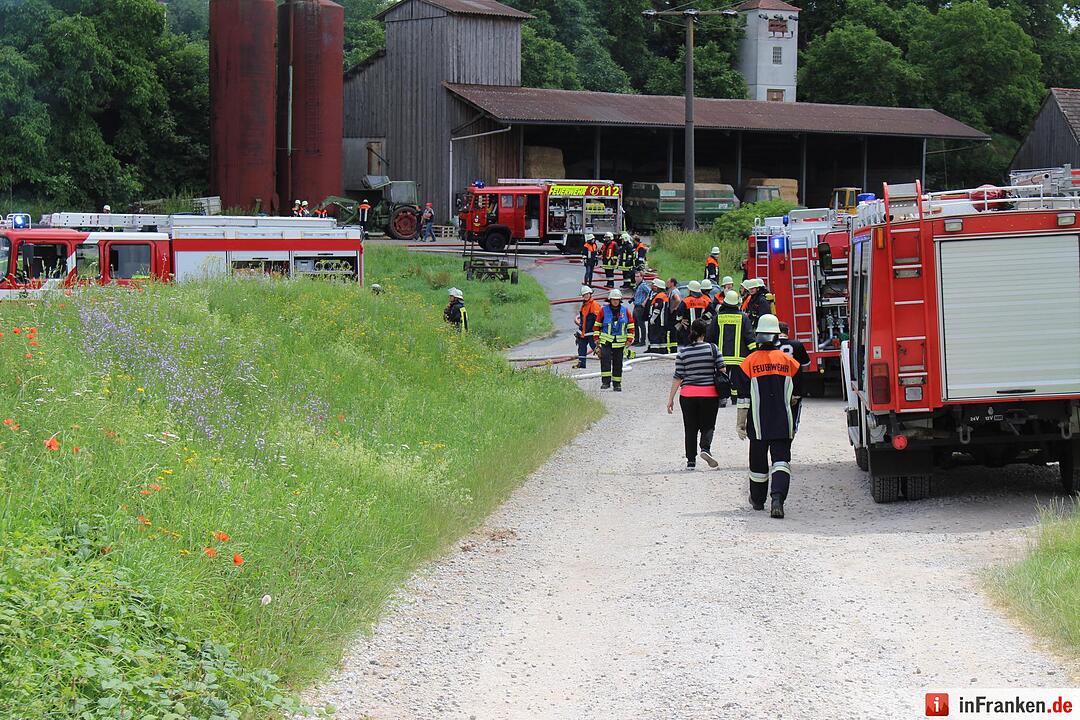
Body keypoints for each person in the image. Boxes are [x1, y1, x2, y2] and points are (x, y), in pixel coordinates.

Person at [735, 314, 802, 519]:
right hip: (783, 423)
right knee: (781, 461)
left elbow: (743, 397)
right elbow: (796, 396)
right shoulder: (790, 362)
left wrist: (741, 423)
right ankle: (777, 499)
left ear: (758, 337)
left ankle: (758, 501)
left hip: (758, 424)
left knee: (758, 465)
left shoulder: (748, 363)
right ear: (776, 337)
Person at [667, 319, 727, 470]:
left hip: (688, 395)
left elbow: (678, 376)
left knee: (690, 428)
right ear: (704, 333)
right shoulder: (713, 349)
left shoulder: (683, 352)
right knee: (708, 425)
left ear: (691, 332)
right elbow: (722, 370)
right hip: (709, 394)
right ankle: (705, 449)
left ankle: (691, 462)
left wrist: (671, 399)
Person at [712, 290, 755, 408]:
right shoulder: (743, 318)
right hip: (739, 358)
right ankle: (735, 399)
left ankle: (722, 398)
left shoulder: (718, 318)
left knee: (721, 378)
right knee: (737, 380)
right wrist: (754, 352)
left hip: (721, 358)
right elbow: (749, 337)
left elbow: (711, 337)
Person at [596, 289, 634, 391]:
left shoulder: (625, 311)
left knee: (618, 363)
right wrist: (596, 339)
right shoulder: (603, 310)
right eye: (614, 299)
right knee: (605, 361)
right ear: (610, 300)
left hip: (620, 343)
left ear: (620, 300)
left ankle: (617, 384)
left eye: (617, 299)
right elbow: (597, 325)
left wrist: (629, 340)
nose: (616, 301)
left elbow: (631, 326)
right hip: (606, 342)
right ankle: (605, 382)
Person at [778, 321, 811, 430]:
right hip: (795, 386)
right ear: (788, 332)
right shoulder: (797, 345)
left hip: (777, 385)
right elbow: (806, 365)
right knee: (794, 412)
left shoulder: (772, 346)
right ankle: (791, 431)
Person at [674, 280, 712, 347]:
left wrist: (680, 321)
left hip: (688, 330)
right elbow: (712, 312)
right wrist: (703, 318)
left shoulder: (686, 301)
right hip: (701, 330)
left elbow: (679, 313)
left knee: (688, 348)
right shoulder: (704, 301)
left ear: (690, 291)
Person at [646, 277, 676, 354]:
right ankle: (663, 351)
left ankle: (655, 352)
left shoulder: (660, 296)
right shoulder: (663, 295)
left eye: (655, 286)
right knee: (662, 338)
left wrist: (652, 319)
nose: (653, 287)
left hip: (658, 321)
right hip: (662, 321)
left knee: (656, 336)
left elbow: (657, 309)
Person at [575, 286, 602, 368]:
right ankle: (581, 364)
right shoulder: (584, 305)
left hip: (591, 333)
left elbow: (599, 319)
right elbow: (583, 321)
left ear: (590, 294)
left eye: (587, 294)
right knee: (581, 348)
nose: (586, 296)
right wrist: (579, 333)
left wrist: (598, 332)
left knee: (596, 348)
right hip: (584, 333)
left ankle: (606, 362)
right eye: (584, 295)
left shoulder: (594, 305)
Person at [632, 271, 650, 346]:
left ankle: (642, 341)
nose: (636, 278)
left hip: (640, 307)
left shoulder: (643, 285)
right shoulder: (637, 285)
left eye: (638, 276)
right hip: (636, 306)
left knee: (641, 324)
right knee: (634, 324)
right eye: (635, 276)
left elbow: (650, 292)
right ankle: (636, 339)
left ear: (642, 277)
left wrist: (645, 302)